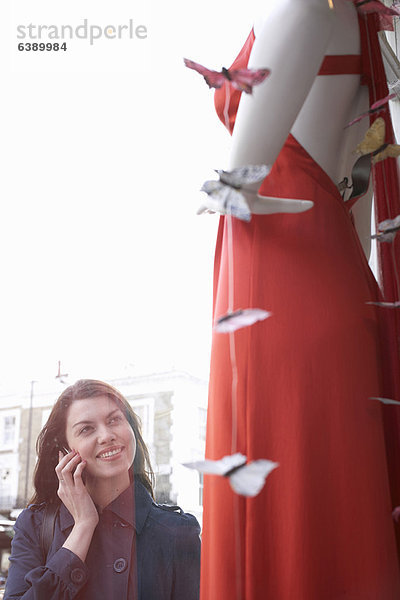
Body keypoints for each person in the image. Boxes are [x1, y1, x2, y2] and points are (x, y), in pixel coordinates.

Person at [201, 1, 400, 599]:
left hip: (280, 287)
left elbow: (236, 185)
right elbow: (357, 205)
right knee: (329, 505)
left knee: (282, 505)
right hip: (334, 283)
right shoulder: (364, 34)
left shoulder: (308, 10)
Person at [4, 379, 200, 600]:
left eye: (114, 419)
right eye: (86, 429)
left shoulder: (177, 531)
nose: (106, 436)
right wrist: (83, 526)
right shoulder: (34, 525)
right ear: (65, 448)